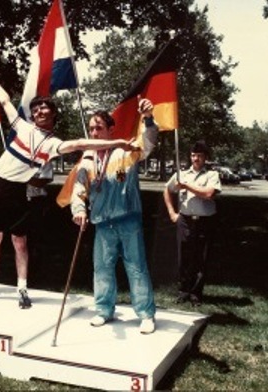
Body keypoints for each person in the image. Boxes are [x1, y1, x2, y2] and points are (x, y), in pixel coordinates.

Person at [0, 67, 140, 309]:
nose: (39, 111)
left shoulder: (53, 143)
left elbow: (80, 143)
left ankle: (22, 289)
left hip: (20, 191)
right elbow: (4, 99)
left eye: (44, 108)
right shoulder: (22, 126)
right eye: (36, 109)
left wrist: (117, 142)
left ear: (53, 114)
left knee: (20, 242)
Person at [70, 101, 158, 334]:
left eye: (99, 128)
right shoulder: (88, 159)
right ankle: (103, 310)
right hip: (102, 224)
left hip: (128, 220)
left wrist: (148, 118)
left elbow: (148, 144)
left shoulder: (123, 152)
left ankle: (146, 314)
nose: (94, 133)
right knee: (102, 268)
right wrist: (79, 209)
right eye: (91, 129)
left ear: (111, 130)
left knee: (136, 267)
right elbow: (79, 187)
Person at [163, 140, 221, 305]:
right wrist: (172, 213)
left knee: (201, 258)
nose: (195, 159)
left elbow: (209, 193)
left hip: (204, 221)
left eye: (200, 156)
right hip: (185, 221)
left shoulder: (212, 175)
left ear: (205, 158)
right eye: (193, 155)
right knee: (184, 258)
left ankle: (196, 293)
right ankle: (183, 291)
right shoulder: (182, 174)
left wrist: (187, 186)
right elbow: (167, 190)